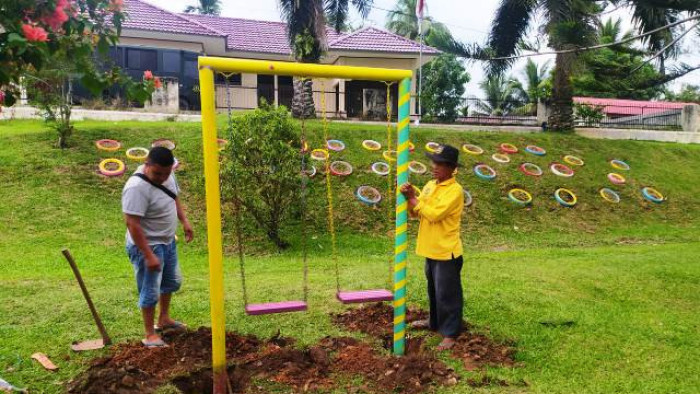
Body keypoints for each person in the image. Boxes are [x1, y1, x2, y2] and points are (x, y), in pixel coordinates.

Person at [122, 147, 193, 347]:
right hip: (148, 246)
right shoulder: (136, 188)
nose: (162, 178)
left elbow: (174, 197)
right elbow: (132, 223)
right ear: (147, 165)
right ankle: (149, 334)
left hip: (168, 241)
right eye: (157, 173)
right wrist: (148, 255)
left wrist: (184, 221)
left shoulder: (168, 176)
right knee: (150, 290)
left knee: (172, 282)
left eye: (166, 173)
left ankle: (164, 319)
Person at [400, 144, 464, 350]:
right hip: (430, 248)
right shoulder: (429, 185)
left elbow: (435, 214)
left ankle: (451, 333)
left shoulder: (455, 191)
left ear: (452, 168)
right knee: (434, 290)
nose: (435, 167)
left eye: (441, 164)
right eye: (434, 162)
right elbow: (418, 212)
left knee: (448, 293)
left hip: (446, 250)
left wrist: (413, 199)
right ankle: (434, 323)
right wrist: (410, 197)